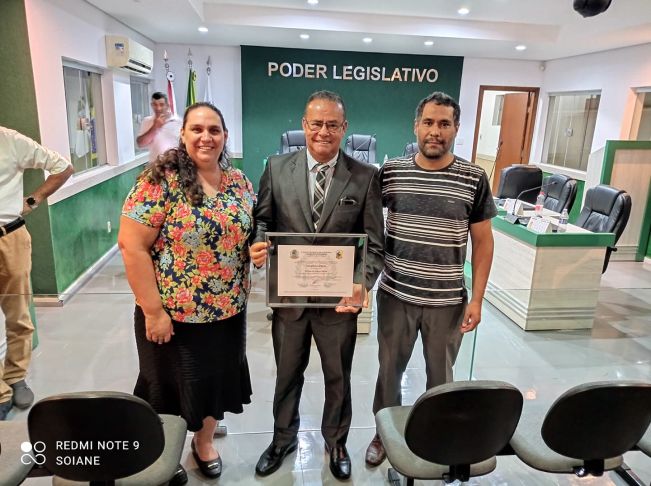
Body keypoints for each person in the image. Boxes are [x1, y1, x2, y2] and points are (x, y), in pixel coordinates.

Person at [250, 90, 384, 481]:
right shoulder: (276, 168)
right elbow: (263, 220)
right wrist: (258, 243)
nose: (323, 131)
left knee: (338, 377)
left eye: (332, 125)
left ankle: (336, 442)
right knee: (286, 374)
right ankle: (282, 439)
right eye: (316, 123)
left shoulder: (364, 176)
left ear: (344, 128)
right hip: (289, 299)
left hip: (337, 303)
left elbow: (374, 243)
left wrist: (361, 284)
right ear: (304, 125)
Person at [118, 102, 255, 480]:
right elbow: (132, 246)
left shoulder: (238, 181)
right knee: (166, 387)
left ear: (225, 136)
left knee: (215, 382)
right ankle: (163, 453)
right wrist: (153, 312)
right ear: (183, 134)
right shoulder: (159, 181)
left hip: (228, 311)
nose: (206, 137)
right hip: (172, 315)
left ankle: (203, 442)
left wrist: (257, 248)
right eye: (197, 129)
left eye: (214, 130)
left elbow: (245, 233)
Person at [364, 91, 497, 466]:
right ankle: (384, 432)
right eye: (428, 122)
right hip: (396, 296)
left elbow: (483, 242)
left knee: (441, 377)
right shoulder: (392, 172)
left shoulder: (473, 177)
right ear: (416, 126)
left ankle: (438, 435)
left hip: (447, 302)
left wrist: (477, 299)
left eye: (444, 123)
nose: (435, 131)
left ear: (456, 128)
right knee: (389, 372)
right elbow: (368, 228)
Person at [0, 127, 74, 420]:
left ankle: (15, 376)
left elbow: (63, 167)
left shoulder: (10, 140)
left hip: (10, 237)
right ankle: (1, 393)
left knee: (18, 314)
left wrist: (33, 200)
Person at [136, 92, 182, 165]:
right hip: (155, 166)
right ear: (151, 105)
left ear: (167, 106)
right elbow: (140, 143)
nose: (158, 108)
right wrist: (155, 127)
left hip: (175, 166)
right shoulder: (147, 121)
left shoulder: (178, 122)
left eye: (161, 104)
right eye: (155, 105)